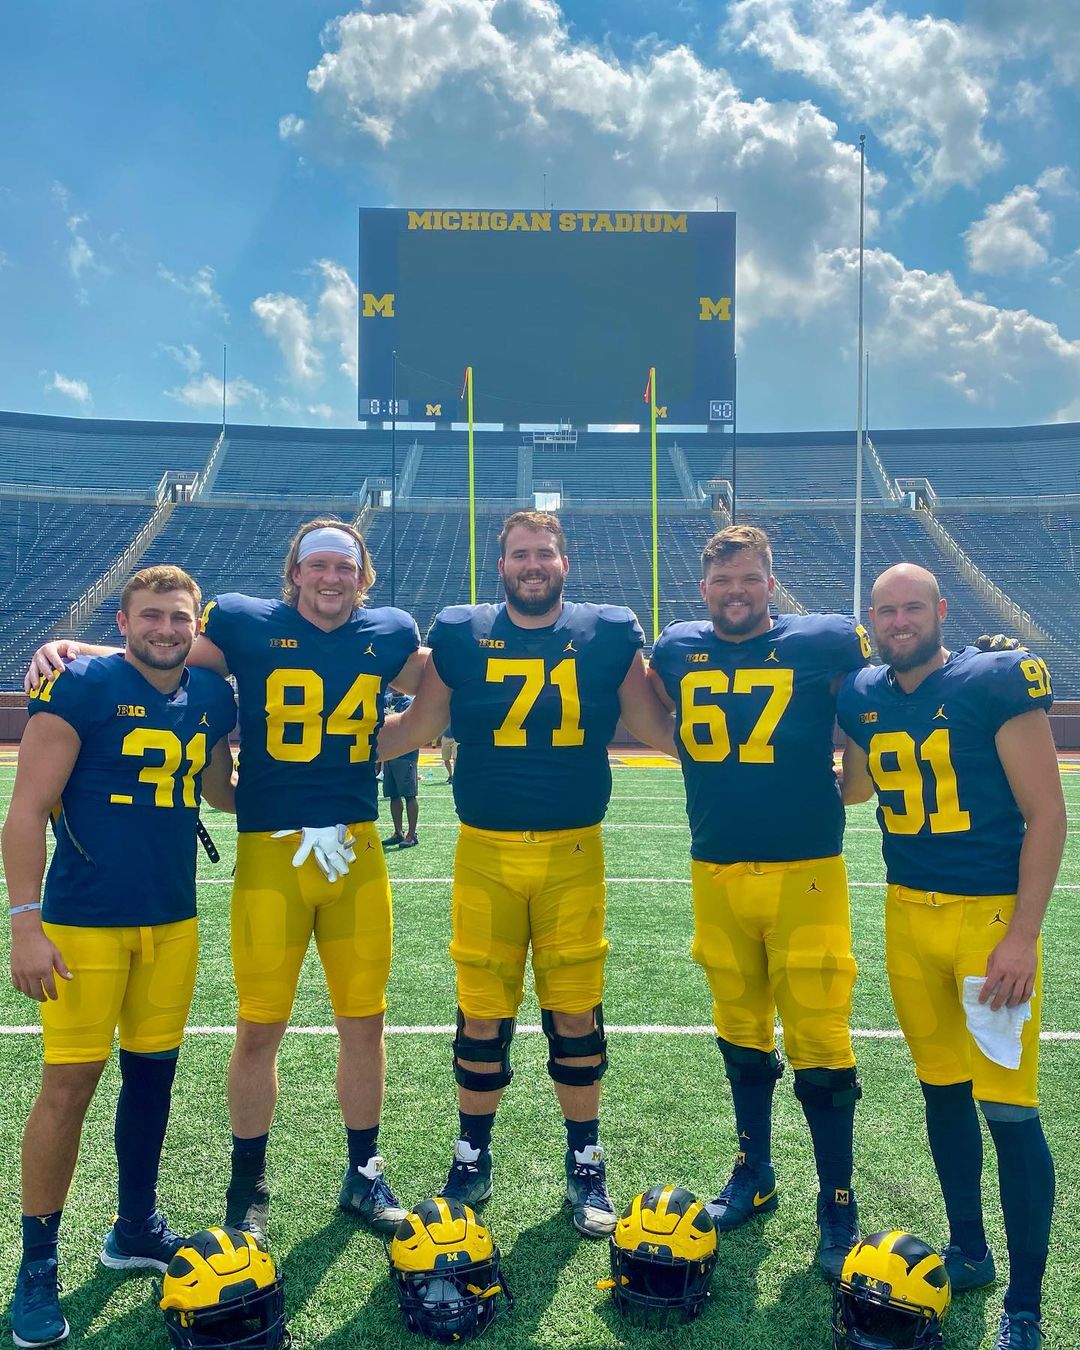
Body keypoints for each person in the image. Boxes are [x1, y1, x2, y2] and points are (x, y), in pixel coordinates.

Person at [24, 518, 426, 1245]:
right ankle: (248, 1184)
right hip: (272, 851)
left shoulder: (389, 631)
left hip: (356, 848)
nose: (330, 577)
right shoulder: (246, 622)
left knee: (365, 1022)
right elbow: (166, 652)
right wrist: (78, 649)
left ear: (362, 576)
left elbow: (442, 690)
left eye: (344, 566)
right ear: (294, 573)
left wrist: (381, 742)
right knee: (258, 1027)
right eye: (317, 565)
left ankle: (364, 1172)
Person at [377, 510, 676, 1236]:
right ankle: (471, 1153)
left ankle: (586, 1159)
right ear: (502, 565)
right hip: (485, 852)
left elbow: (653, 727)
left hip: (574, 853)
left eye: (544, 553)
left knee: (575, 1011)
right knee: (482, 1012)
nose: (532, 564)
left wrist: (755, 760)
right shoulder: (461, 631)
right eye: (520, 554)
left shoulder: (607, 632)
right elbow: (420, 726)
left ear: (564, 562)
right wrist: (318, 755)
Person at [5, 565, 236, 1349]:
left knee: (152, 1079)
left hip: (172, 919)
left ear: (196, 626)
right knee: (68, 1088)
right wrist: (25, 924)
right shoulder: (80, 686)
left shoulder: (212, 696)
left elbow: (221, 793)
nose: (166, 629)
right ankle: (38, 1264)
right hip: (86, 924)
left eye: (179, 618)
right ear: (124, 621)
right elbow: (26, 811)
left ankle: (134, 1226)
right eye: (151, 616)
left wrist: (322, 784)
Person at [838, 563, 1065, 1350]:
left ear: (940, 610)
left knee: (1010, 1110)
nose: (899, 621)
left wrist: (1022, 936)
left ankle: (1024, 1305)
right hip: (907, 914)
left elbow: (1047, 813)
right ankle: (969, 1249)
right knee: (941, 1091)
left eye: (912, 608)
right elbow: (857, 789)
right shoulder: (862, 693)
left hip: (987, 921)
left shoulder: (992, 680)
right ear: (871, 620)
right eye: (885, 610)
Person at [647, 524, 870, 1281]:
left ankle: (837, 1200)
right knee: (739, 1031)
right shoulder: (678, 647)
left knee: (820, 1039)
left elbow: (869, 708)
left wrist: (851, 784)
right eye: (722, 581)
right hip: (715, 868)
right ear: (703, 588)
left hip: (806, 869)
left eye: (748, 579)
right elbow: (652, 709)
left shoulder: (821, 641)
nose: (735, 592)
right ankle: (755, 1171)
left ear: (770, 584)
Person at [382, 691, 420, 848]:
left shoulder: (409, 702)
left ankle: (412, 834)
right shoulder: (386, 700)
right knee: (393, 795)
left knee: (409, 795)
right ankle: (398, 832)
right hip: (389, 754)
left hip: (406, 754)